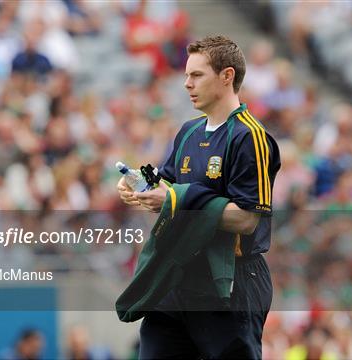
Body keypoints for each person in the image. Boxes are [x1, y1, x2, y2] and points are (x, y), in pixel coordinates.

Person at [117, 35, 280, 359]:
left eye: (197, 75)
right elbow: (167, 183)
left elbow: (247, 219)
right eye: (187, 75)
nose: (187, 83)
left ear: (227, 76)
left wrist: (176, 201)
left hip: (231, 280)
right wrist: (138, 183)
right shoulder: (188, 131)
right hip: (178, 273)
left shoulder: (251, 137)